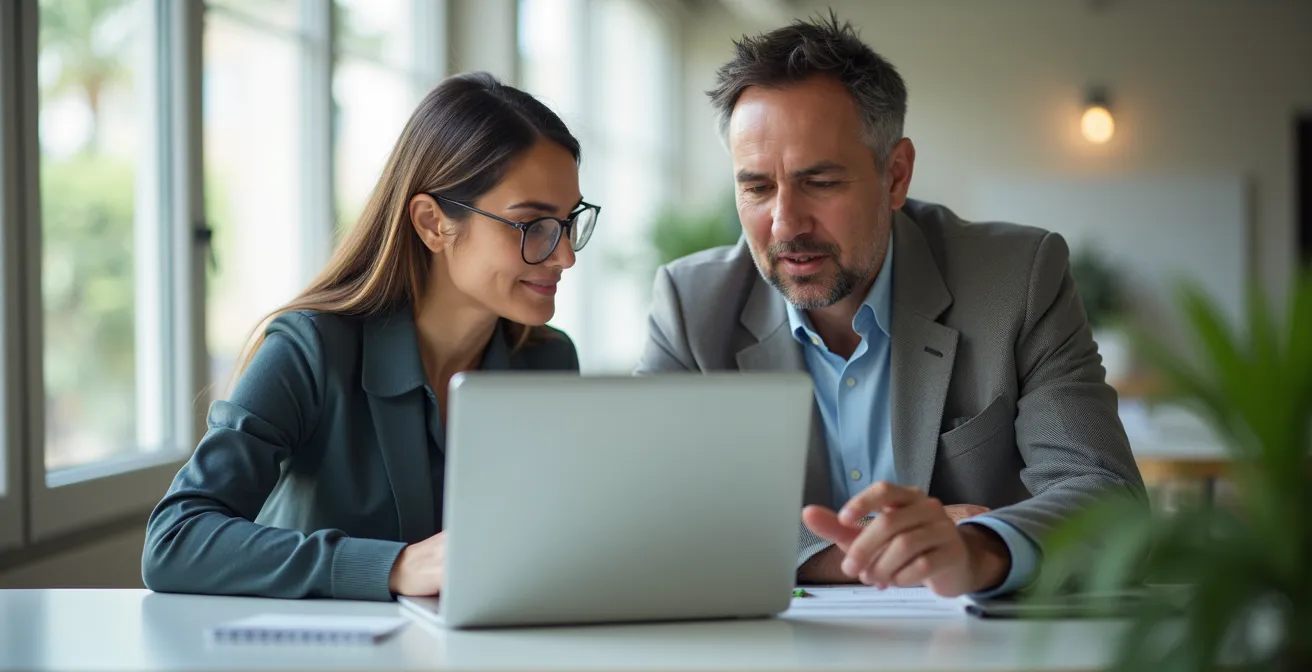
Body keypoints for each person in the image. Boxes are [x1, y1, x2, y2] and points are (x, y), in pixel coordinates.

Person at [636, 14, 1147, 598]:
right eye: (756, 187)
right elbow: (652, 508)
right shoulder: (691, 306)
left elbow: (1107, 498)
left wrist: (977, 549)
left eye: (821, 182)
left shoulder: (1017, 280)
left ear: (896, 174)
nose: (785, 224)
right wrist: (853, 551)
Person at [142, 72, 600, 601]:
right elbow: (174, 540)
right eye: (532, 226)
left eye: (569, 223)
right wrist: (395, 567)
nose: (564, 255)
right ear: (432, 223)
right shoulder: (310, 348)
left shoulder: (548, 360)